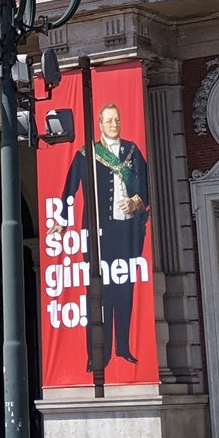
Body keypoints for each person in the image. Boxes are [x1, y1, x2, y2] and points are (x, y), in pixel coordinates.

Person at [60, 102, 151, 368]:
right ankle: (98, 355)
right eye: (109, 121)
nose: (114, 125)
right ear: (100, 124)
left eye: (117, 120)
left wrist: (136, 201)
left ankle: (123, 347)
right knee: (98, 294)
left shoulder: (132, 151)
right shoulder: (87, 154)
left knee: (125, 290)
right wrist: (62, 221)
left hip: (128, 232)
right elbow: (69, 190)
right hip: (98, 234)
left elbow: (147, 186)